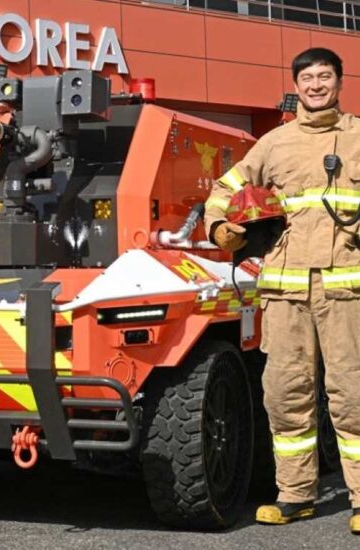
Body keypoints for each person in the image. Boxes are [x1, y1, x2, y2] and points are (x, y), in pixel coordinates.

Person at [203, 47, 360, 534]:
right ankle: (296, 495)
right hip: (286, 294)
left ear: (339, 82)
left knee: (353, 395)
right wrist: (219, 229)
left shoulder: (358, 137)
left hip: (347, 291)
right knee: (285, 394)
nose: (316, 85)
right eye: (307, 78)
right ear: (296, 87)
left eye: (325, 76)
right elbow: (222, 190)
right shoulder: (273, 144)